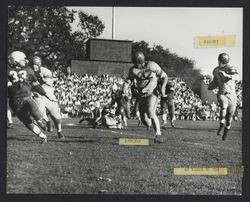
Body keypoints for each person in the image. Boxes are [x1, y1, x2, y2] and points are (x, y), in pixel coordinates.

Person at [122, 51, 168, 143]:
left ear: (141, 61)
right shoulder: (133, 70)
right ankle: (152, 123)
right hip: (141, 95)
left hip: (152, 93)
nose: (135, 65)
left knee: (150, 111)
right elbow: (129, 80)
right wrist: (124, 90)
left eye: (136, 63)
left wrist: (162, 88)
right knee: (144, 120)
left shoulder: (152, 65)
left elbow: (164, 76)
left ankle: (158, 134)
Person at [7, 51, 48, 142]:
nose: (25, 61)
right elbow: (35, 85)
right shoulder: (28, 70)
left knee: (28, 106)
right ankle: (41, 130)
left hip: (17, 100)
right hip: (18, 99)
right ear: (16, 60)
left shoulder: (10, 70)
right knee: (27, 119)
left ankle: (41, 126)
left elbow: (35, 84)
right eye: (23, 59)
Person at [31, 56, 65, 139]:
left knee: (56, 116)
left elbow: (50, 83)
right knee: (40, 112)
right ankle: (47, 121)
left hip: (48, 93)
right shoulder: (29, 71)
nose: (34, 66)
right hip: (37, 94)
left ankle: (59, 131)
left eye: (36, 64)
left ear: (40, 64)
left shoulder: (45, 71)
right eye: (33, 64)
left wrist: (42, 79)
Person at [208, 53, 239, 140]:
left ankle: (226, 130)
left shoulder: (230, 67)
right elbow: (215, 81)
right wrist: (211, 86)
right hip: (222, 93)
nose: (219, 62)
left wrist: (227, 75)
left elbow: (238, 77)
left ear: (224, 61)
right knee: (223, 106)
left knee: (229, 118)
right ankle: (221, 126)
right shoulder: (216, 70)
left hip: (232, 95)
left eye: (221, 60)